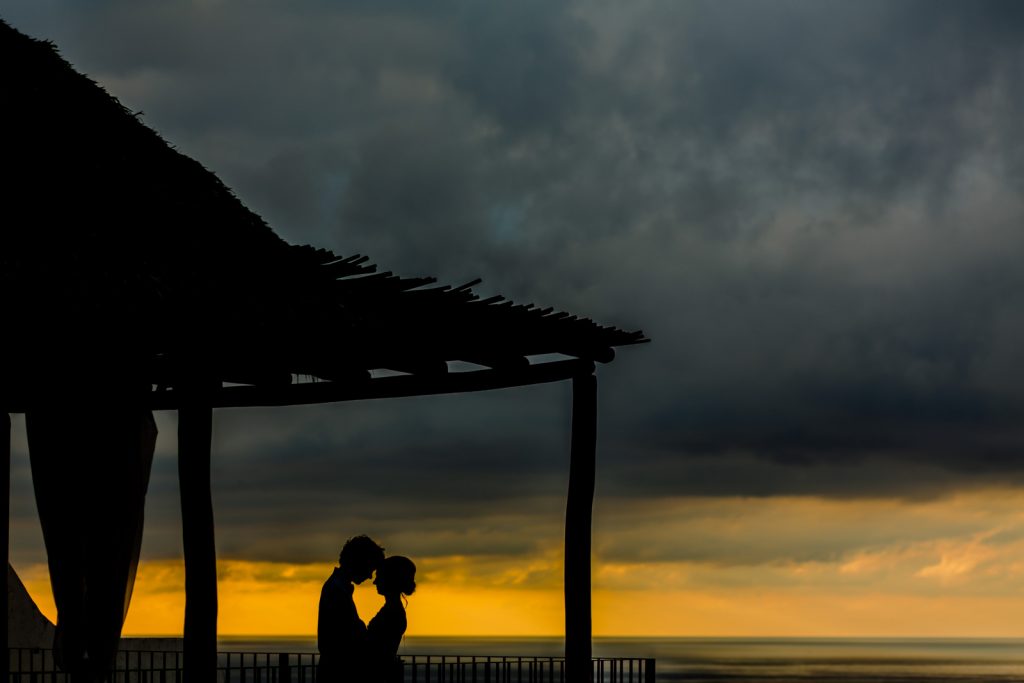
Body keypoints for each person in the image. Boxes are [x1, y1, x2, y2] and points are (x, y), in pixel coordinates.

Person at [317, 536, 386, 683]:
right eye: (370, 569)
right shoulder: (337, 590)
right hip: (338, 672)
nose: (369, 576)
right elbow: (350, 635)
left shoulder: (337, 587)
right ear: (359, 562)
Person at [367, 555, 417, 683]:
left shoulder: (392, 612)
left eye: (379, 576)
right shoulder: (393, 609)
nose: (375, 581)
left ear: (390, 579)